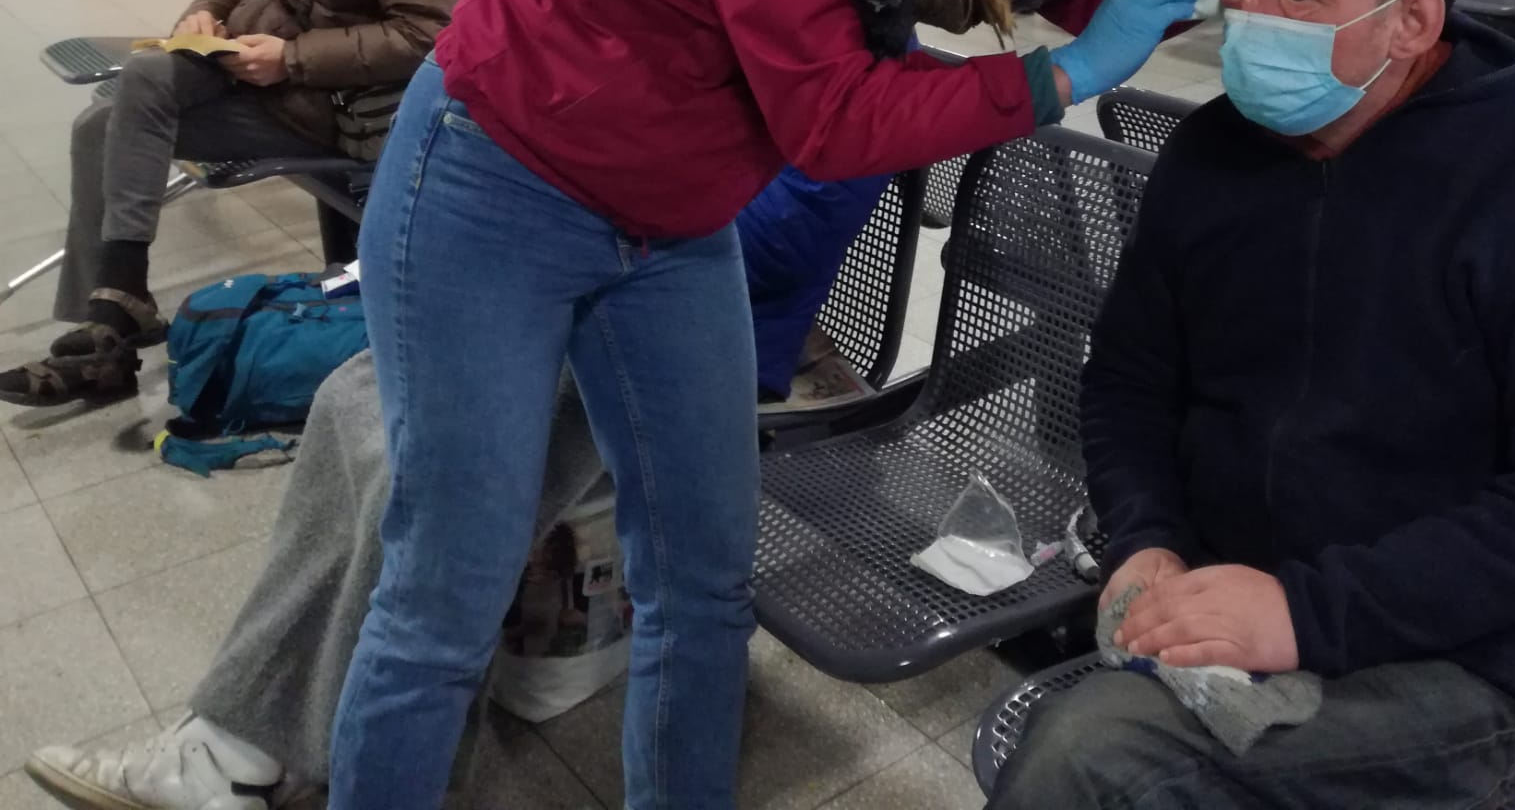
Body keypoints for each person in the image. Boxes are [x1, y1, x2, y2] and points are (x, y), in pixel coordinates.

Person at [327, 0, 1351, 809]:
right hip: (501, 171)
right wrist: (1060, 78)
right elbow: (825, 114)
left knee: (702, 583)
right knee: (447, 593)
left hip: (671, 220)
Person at [992, 0, 1515, 810]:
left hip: (1454, 656)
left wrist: (1304, 614)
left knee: (1097, 756)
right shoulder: (1214, 152)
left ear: (1411, 22)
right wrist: (1148, 537)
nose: (1251, 15)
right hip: (1224, 602)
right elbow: (1130, 380)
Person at [21, 162, 889, 810]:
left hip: (673, 336)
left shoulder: (848, 59)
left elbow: (759, 241)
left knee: (420, 482)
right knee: (352, 400)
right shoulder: (748, 14)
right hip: (589, 277)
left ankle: (239, 757)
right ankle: (254, 739)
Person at [0, 0, 462, 409]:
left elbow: (430, 37)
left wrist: (293, 58)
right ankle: (106, 320)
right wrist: (204, 14)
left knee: (133, 93)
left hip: (339, 107)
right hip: (271, 86)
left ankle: (115, 313)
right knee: (103, 121)